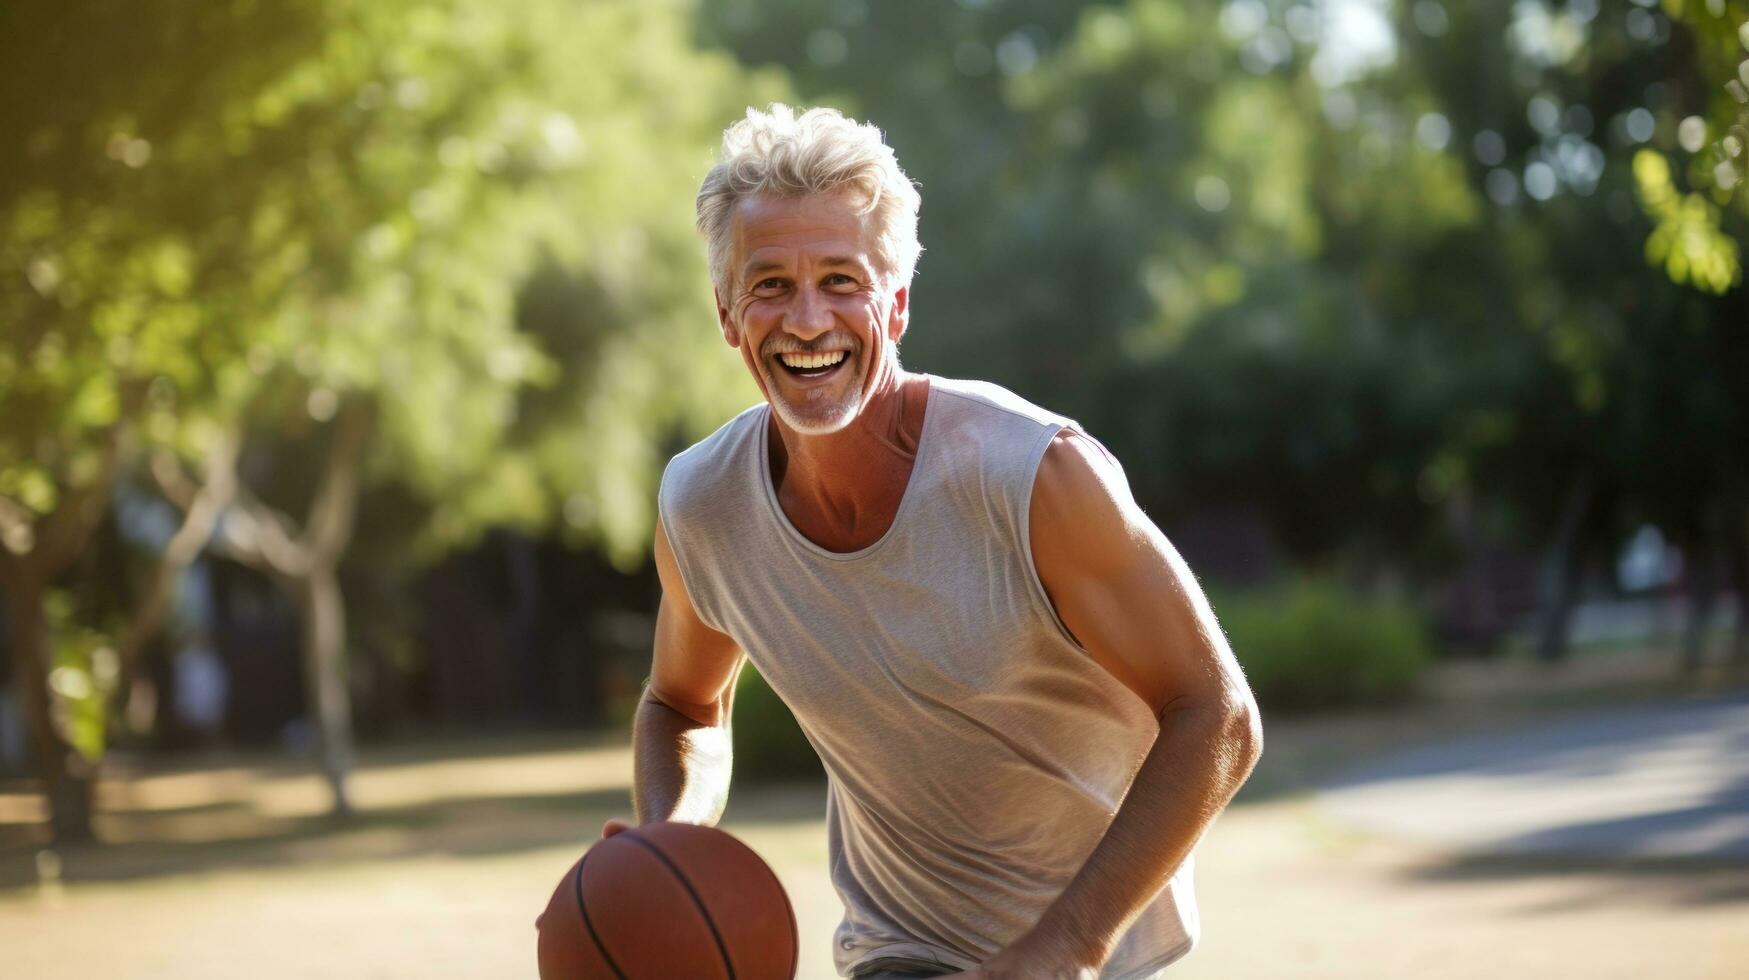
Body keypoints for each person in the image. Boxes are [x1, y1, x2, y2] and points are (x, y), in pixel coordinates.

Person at [606, 104, 1263, 980]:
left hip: (1102, 951)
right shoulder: (703, 504)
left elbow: (1216, 714)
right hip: (900, 950)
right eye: (769, 284)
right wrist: (668, 841)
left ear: (899, 302)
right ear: (727, 313)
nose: (806, 319)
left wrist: (1064, 948)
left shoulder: (1032, 477)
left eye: (842, 279)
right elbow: (683, 706)